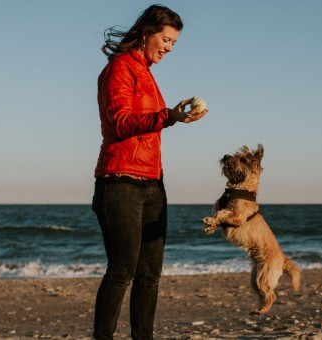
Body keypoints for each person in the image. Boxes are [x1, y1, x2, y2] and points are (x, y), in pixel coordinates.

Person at [90, 5, 207, 340]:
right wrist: (168, 116)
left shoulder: (147, 73)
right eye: (166, 39)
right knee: (122, 269)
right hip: (120, 182)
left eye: (174, 42)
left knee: (150, 273)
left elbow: (152, 124)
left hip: (153, 185)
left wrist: (175, 116)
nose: (170, 47)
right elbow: (122, 121)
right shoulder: (119, 69)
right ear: (146, 32)